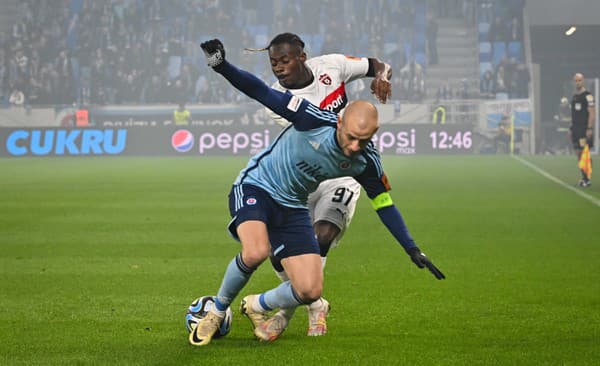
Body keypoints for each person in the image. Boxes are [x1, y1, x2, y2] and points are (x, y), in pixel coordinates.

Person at [188, 39, 444, 347]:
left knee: (310, 290)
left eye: (362, 142)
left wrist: (411, 248)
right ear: (339, 121)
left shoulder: (366, 162)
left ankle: (258, 304)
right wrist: (221, 66)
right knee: (256, 251)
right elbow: (260, 91)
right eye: (350, 137)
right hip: (259, 186)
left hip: (293, 204)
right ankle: (216, 310)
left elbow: (384, 204)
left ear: (373, 135)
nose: (353, 147)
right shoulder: (309, 116)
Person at [258, 32, 392, 337]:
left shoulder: (332, 65)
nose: (278, 67)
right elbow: (317, 134)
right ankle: (315, 303)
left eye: (284, 60)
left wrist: (383, 75)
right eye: (273, 62)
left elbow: (377, 64)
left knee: (320, 238)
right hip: (302, 176)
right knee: (277, 253)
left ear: (302, 57)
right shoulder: (275, 101)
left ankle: (284, 311)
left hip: (342, 172)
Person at [570, 73, 595, 187]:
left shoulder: (588, 96)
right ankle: (584, 178)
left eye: (579, 80)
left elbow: (592, 112)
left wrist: (589, 128)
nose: (577, 82)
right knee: (578, 153)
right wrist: (571, 128)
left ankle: (587, 178)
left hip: (584, 129)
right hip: (575, 129)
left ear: (583, 81)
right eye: (576, 80)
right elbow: (574, 114)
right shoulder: (574, 96)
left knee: (584, 153)